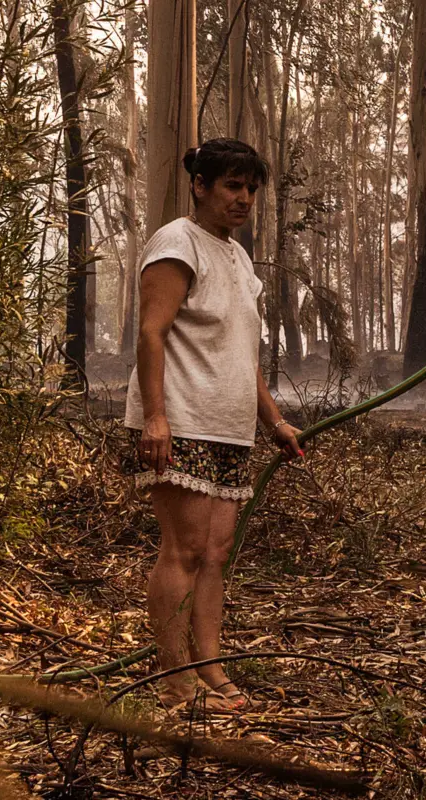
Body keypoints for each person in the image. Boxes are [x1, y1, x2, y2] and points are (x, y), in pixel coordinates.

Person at [124, 138, 302, 715]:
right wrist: (155, 417)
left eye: (251, 188)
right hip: (180, 418)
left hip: (228, 426)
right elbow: (151, 332)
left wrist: (273, 420)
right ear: (199, 185)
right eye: (232, 185)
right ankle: (178, 681)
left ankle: (211, 669)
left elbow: (240, 353)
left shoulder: (238, 257)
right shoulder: (178, 243)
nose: (244, 198)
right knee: (185, 547)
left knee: (216, 552)